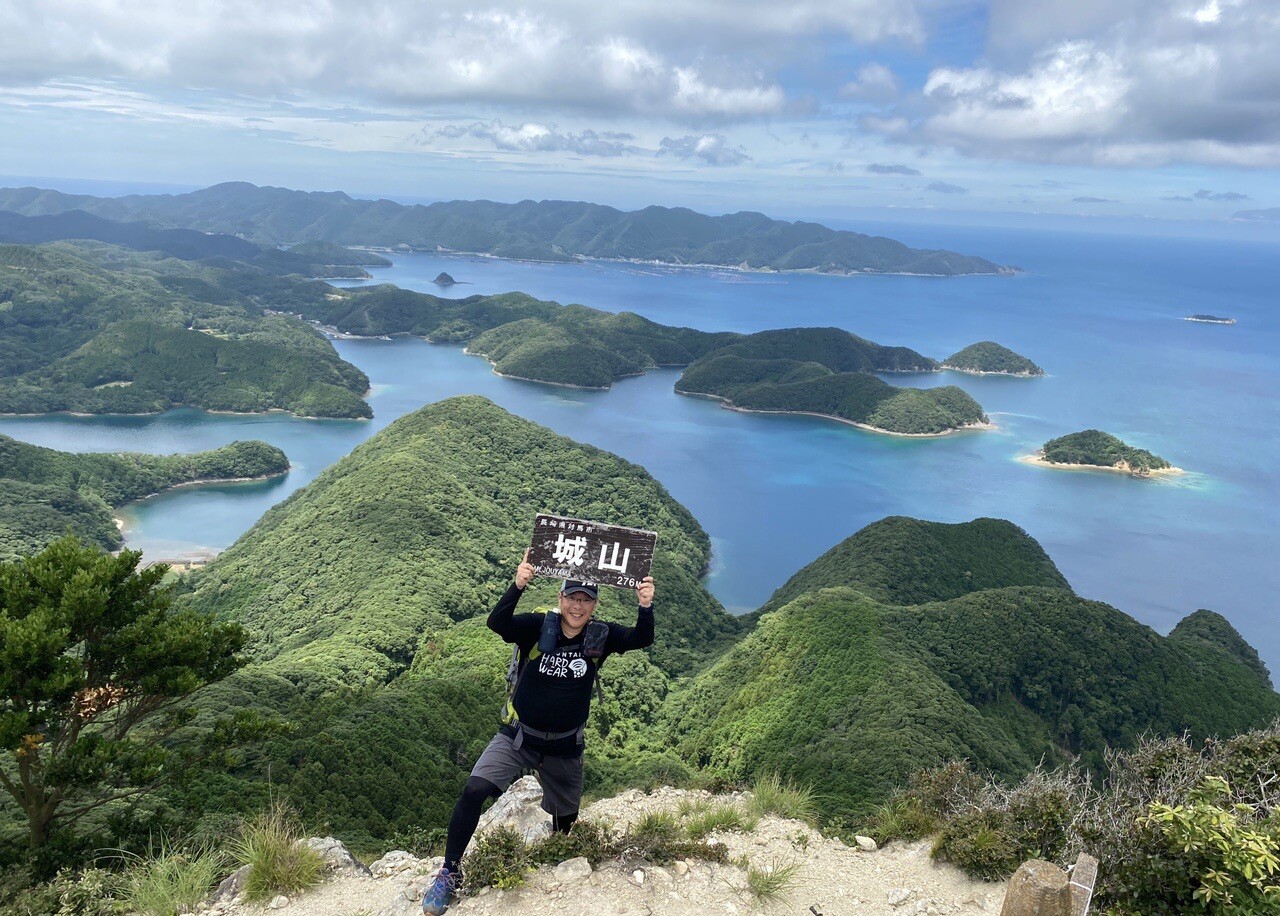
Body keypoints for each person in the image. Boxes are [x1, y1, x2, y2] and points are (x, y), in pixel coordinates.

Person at [422, 551, 656, 915]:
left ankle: (555, 853)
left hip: (565, 745)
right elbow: (497, 623)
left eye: (586, 600)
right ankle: (449, 871)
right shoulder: (537, 626)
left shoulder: (602, 635)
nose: (578, 606)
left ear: (594, 605)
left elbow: (642, 638)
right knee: (474, 790)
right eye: (572, 598)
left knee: (566, 816)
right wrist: (518, 584)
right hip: (518, 736)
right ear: (561, 598)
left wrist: (645, 605)